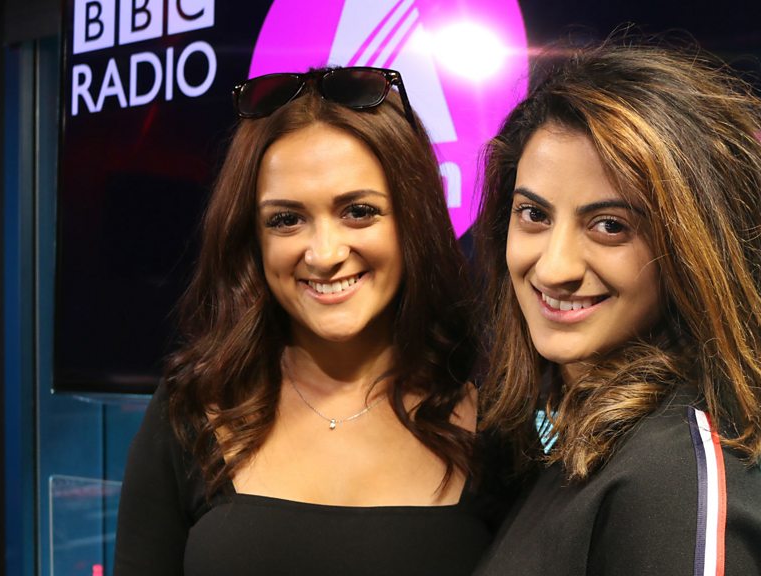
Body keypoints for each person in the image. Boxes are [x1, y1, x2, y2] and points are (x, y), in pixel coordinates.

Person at [114, 67, 497, 575]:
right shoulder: (191, 407)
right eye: (286, 219)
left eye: (358, 211)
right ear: (251, 238)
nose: (324, 254)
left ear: (413, 220)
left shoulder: (495, 415)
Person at [472, 42, 761, 575]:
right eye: (534, 215)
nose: (554, 267)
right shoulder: (588, 445)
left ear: (694, 251)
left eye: (610, 225)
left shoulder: (668, 481)